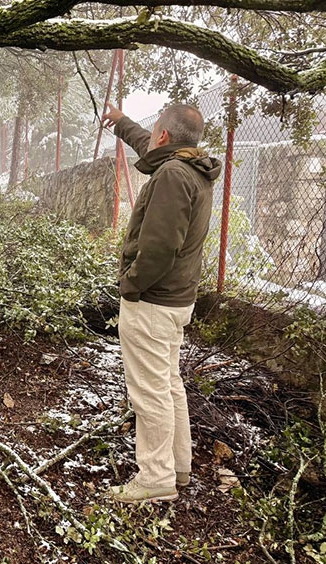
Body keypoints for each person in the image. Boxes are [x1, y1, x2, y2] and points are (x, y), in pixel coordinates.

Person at [101, 102, 222, 503]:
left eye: (155, 132)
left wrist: (129, 285)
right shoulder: (192, 167)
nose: (150, 138)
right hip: (175, 300)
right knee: (168, 384)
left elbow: (159, 249)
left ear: (165, 137)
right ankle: (177, 466)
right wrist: (122, 123)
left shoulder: (171, 175)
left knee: (149, 392)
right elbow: (148, 145)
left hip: (152, 301)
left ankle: (155, 478)